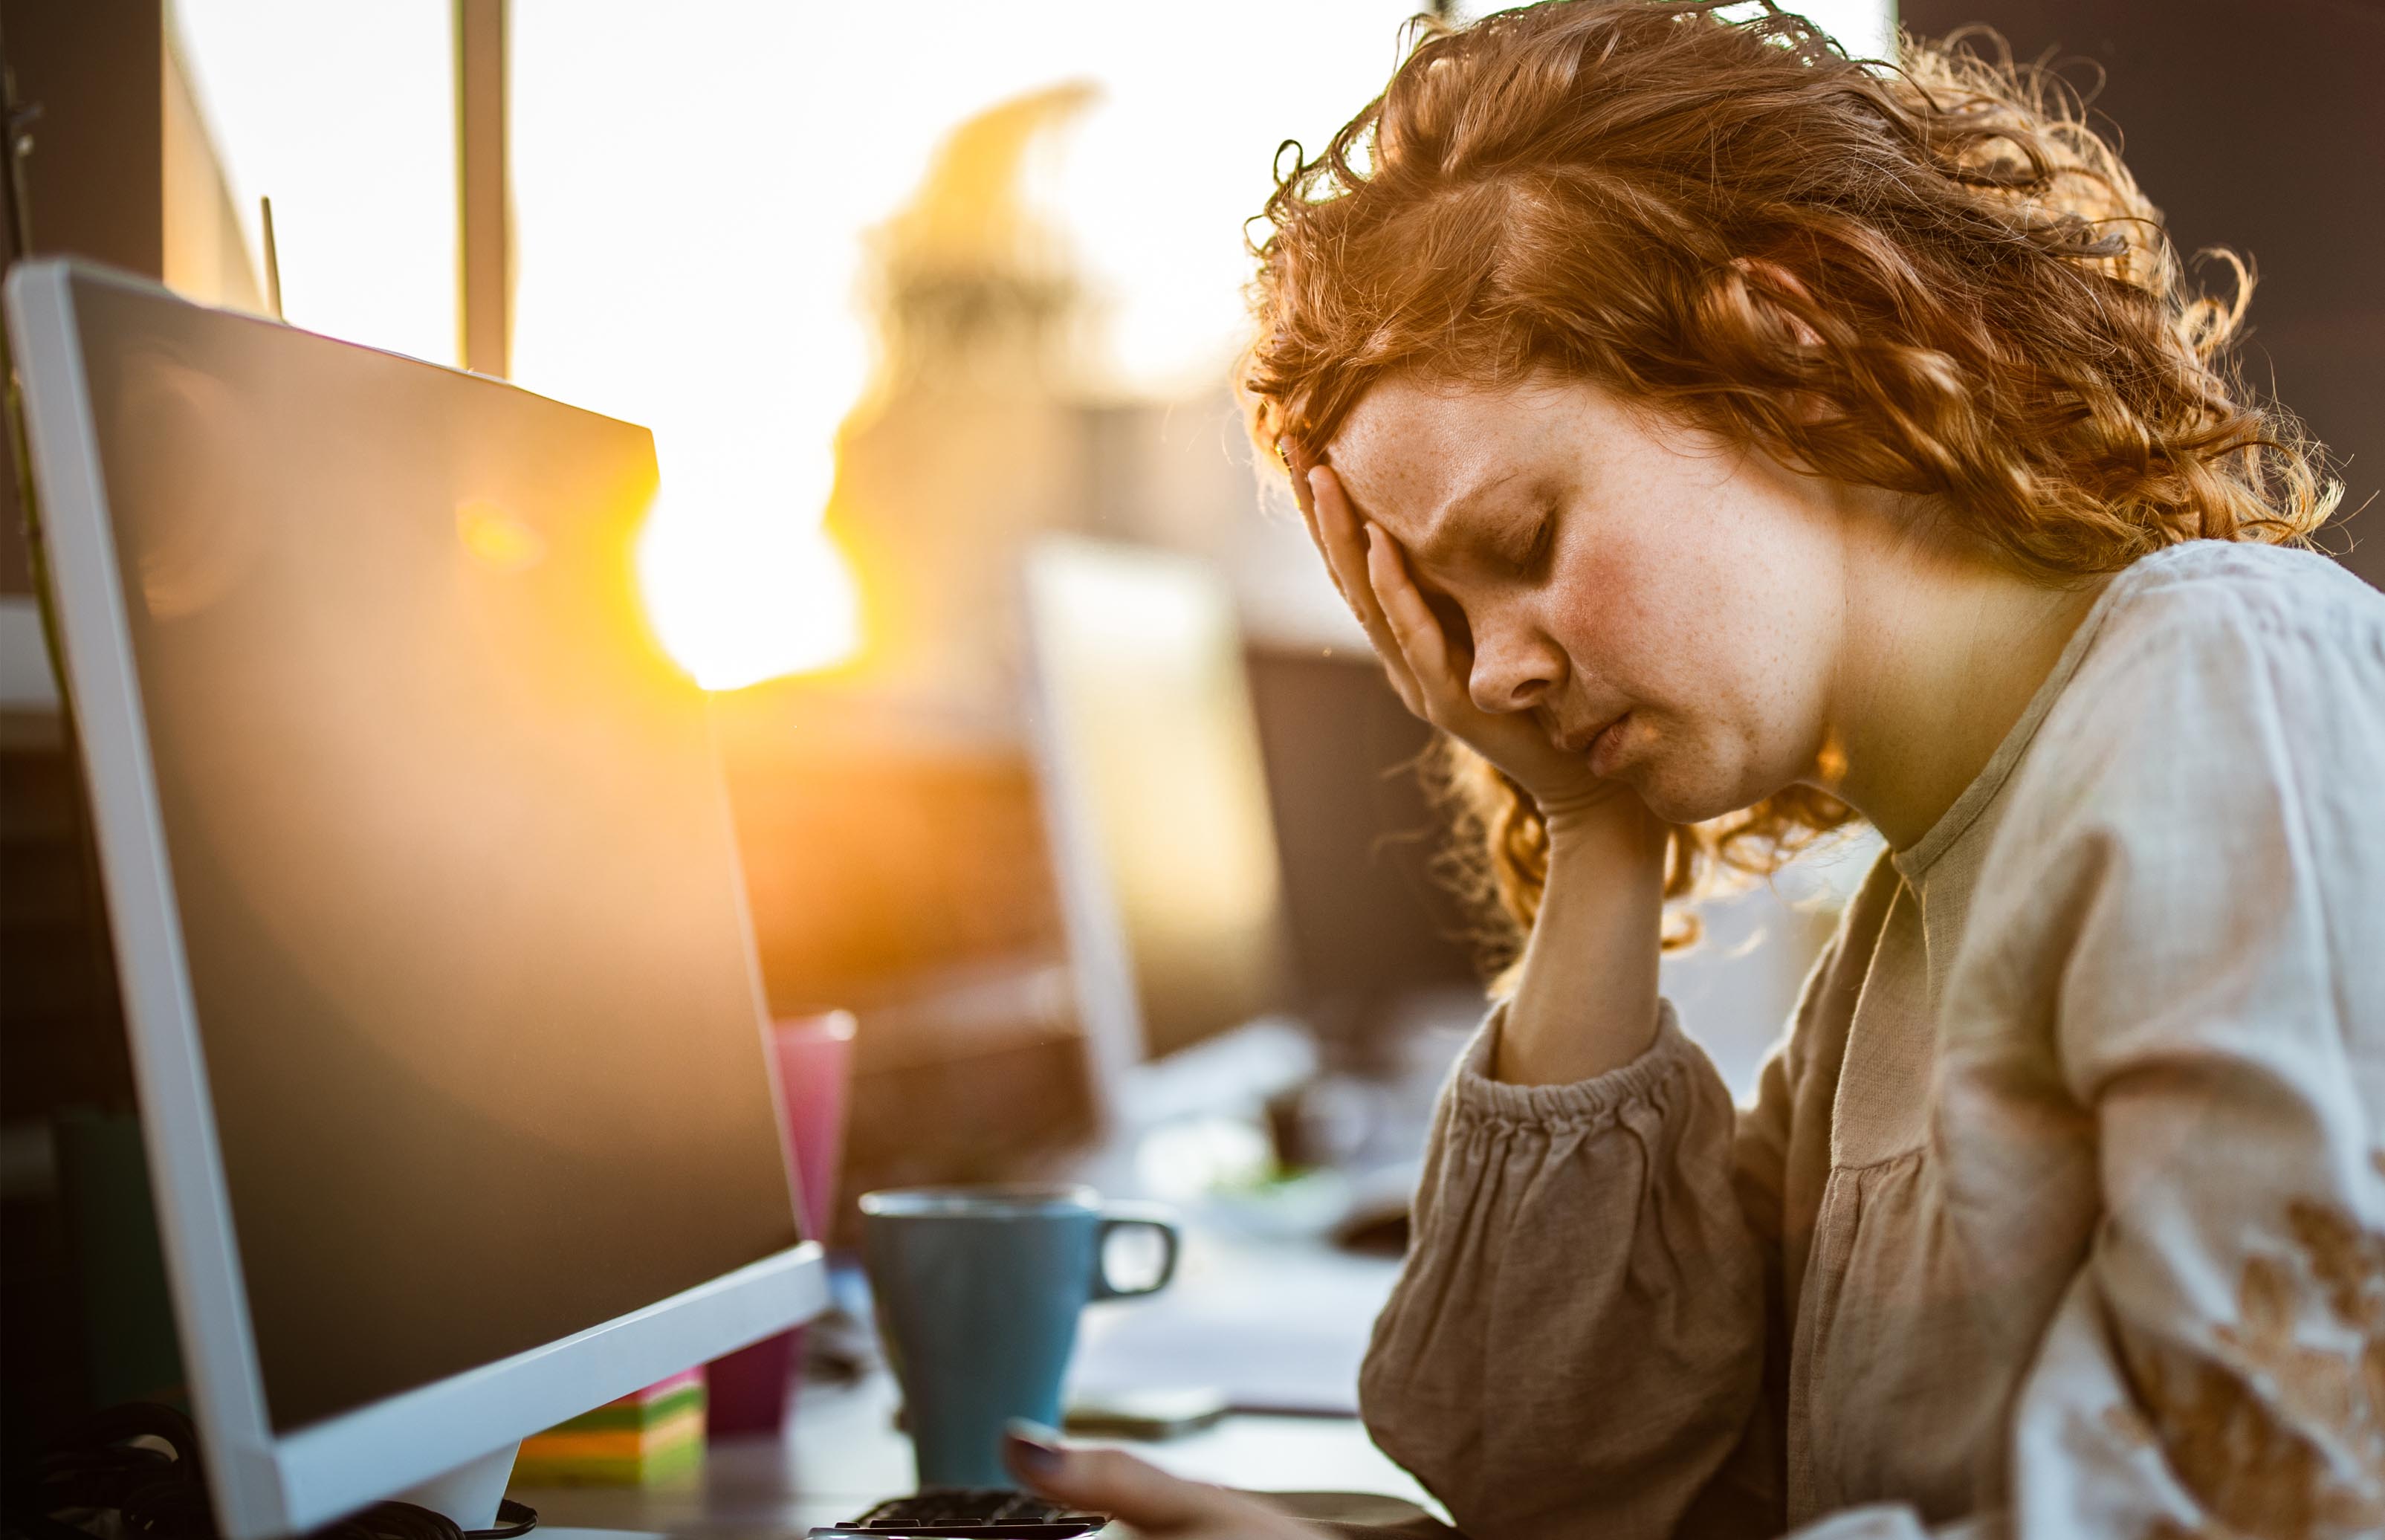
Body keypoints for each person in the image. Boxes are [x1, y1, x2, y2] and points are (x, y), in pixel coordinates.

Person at [1006, 2, 2385, 1536]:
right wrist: (1589, 823)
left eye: (1523, 543)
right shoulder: (1894, 941)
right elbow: (1562, 1476)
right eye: (1449, 619)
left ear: (1790, 349)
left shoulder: (2225, 685)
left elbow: (2282, 1505)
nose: (1490, 675)